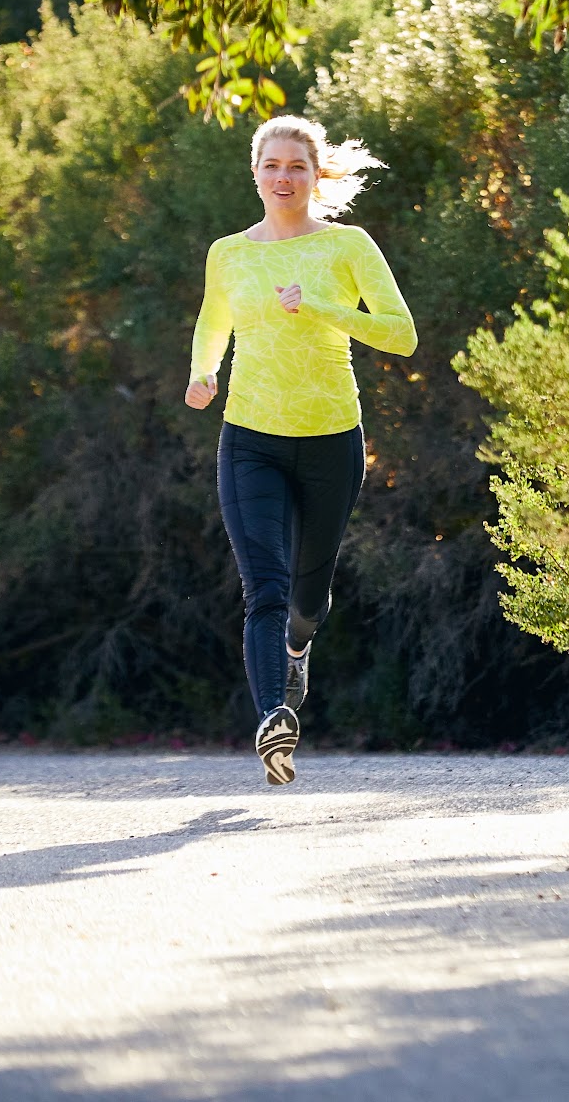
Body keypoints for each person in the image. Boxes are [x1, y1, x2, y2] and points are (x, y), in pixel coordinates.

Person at [185, 115, 416, 785]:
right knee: (264, 586)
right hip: (250, 434)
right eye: (272, 165)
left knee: (305, 599)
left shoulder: (346, 245)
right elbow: (212, 323)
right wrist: (203, 372)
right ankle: (271, 719)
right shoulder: (229, 252)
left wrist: (320, 306)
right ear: (254, 172)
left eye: (297, 166)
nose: (283, 177)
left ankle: (298, 647)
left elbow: (402, 336)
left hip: (330, 437)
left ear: (317, 176)